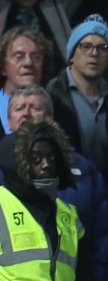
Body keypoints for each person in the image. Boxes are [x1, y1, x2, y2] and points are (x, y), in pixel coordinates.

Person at [0, 117, 85, 281]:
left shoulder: (69, 215)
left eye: (51, 157)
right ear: (20, 162)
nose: (46, 164)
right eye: (36, 158)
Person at [45, 15, 108, 174]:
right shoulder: (52, 97)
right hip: (71, 189)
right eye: (86, 46)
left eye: (103, 48)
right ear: (72, 55)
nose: (94, 53)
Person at [0, 28, 52, 142]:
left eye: (36, 57)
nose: (28, 63)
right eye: (19, 56)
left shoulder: (58, 106)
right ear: (2, 66)